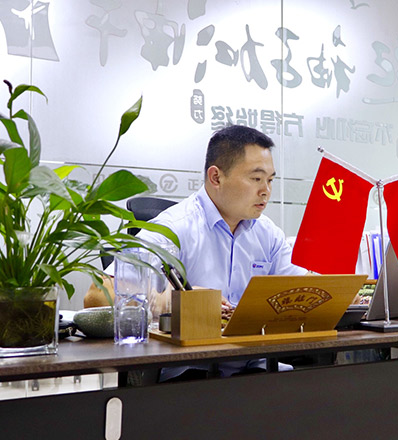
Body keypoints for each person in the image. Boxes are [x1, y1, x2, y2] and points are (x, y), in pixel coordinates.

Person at [86, 125, 306, 380]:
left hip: (258, 369)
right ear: (216, 177)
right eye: (256, 179)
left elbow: (306, 290)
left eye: (270, 180)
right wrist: (178, 303)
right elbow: (97, 295)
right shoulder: (174, 227)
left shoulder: (267, 232)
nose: (265, 190)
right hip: (192, 374)